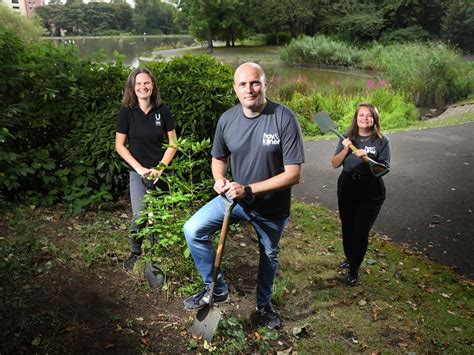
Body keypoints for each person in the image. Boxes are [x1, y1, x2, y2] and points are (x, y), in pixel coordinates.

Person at [182, 62, 305, 329]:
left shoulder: (284, 118)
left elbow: (293, 174)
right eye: (243, 84)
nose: (249, 89)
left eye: (255, 83)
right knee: (192, 229)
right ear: (235, 89)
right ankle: (215, 288)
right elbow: (218, 158)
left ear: (265, 84)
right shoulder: (227, 119)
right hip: (234, 200)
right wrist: (219, 180)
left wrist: (248, 189)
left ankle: (263, 304)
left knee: (269, 254)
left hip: (271, 207)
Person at [115, 67, 178, 271]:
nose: (143, 87)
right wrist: (140, 169)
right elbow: (119, 146)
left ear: (153, 86)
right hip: (138, 172)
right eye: (139, 84)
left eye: (146, 83)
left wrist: (159, 169)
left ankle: (157, 253)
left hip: (161, 171)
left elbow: (173, 143)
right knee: (140, 215)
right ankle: (135, 251)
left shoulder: (163, 110)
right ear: (132, 88)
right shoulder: (126, 112)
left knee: (159, 214)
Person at [331, 103, 390, 286]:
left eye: (369, 115)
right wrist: (346, 149)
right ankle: (350, 258)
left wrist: (367, 158)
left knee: (360, 231)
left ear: (374, 119)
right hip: (348, 186)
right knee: (347, 227)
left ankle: (354, 268)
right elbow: (334, 163)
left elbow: (383, 169)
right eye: (361, 115)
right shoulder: (347, 138)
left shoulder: (381, 141)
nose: (365, 118)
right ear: (356, 118)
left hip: (371, 190)